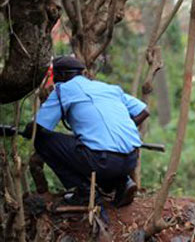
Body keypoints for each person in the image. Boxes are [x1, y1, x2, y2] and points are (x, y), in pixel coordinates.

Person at [32, 55, 148, 207]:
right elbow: (144, 111)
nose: (53, 81)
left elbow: (39, 128)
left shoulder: (62, 90)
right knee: (91, 150)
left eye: (54, 76)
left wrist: (23, 130)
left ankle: (85, 192)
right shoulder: (108, 88)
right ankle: (123, 182)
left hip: (102, 161)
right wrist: (127, 127)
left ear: (62, 75)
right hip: (131, 159)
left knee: (42, 140)